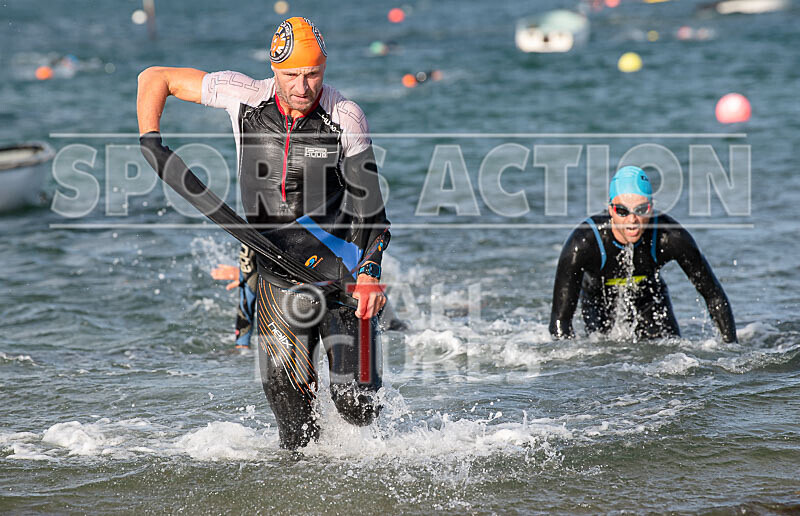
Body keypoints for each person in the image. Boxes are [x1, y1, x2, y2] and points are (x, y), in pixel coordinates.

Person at [137, 17, 391, 449]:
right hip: (278, 280)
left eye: (313, 74)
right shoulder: (244, 98)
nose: (303, 87)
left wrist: (370, 272)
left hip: (342, 277)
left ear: (324, 69)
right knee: (294, 433)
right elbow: (154, 77)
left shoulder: (345, 118)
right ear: (274, 69)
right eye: (291, 75)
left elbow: (374, 216)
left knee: (358, 407)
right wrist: (150, 138)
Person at [549, 166, 737, 342]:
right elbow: (560, 321)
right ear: (611, 210)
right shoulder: (585, 242)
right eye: (622, 211)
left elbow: (714, 296)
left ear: (651, 208)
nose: (632, 220)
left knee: (670, 352)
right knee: (605, 356)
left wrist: (730, 351)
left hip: (651, 299)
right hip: (598, 302)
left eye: (641, 210)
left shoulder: (669, 236)